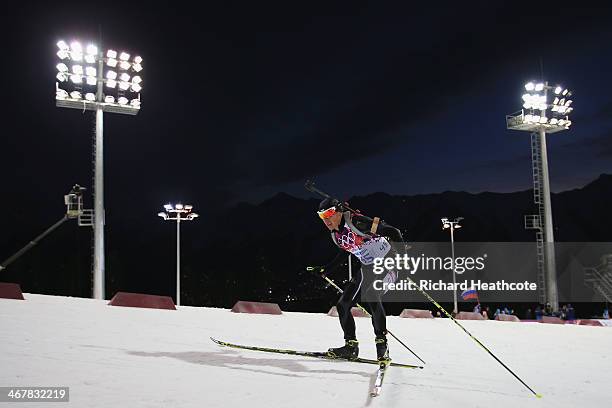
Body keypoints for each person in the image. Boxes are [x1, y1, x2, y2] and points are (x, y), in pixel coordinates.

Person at [315, 197, 403, 362]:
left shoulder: (358, 223)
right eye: (321, 216)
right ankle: (350, 347)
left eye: (329, 214)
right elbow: (346, 251)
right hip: (368, 267)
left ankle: (382, 347)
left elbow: (394, 232)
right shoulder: (335, 235)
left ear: (339, 211)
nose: (326, 219)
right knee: (343, 305)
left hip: (388, 262)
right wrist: (325, 269)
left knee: (371, 295)